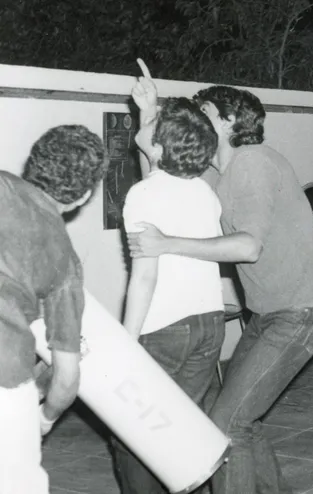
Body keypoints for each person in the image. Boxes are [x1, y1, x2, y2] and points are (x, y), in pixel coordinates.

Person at [127, 85, 313, 494]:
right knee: (242, 421)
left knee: (227, 425)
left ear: (227, 121)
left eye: (204, 109)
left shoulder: (252, 163)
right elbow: (159, 166)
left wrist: (167, 243)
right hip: (272, 314)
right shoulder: (221, 170)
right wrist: (148, 111)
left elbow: (248, 246)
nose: (196, 117)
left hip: (297, 315)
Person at [110, 76, 226, 493]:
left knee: (134, 433)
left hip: (166, 330)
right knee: (176, 427)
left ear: (158, 146)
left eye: (154, 123)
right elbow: (158, 173)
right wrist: (148, 109)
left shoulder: (143, 195)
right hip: (209, 325)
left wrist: (126, 343)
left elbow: (145, 277)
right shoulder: (202, 191)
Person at [0, 125, 107, 494]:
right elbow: (66, 376)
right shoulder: (65, 262)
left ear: (33, 161)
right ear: (83, 197)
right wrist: (44, 418)